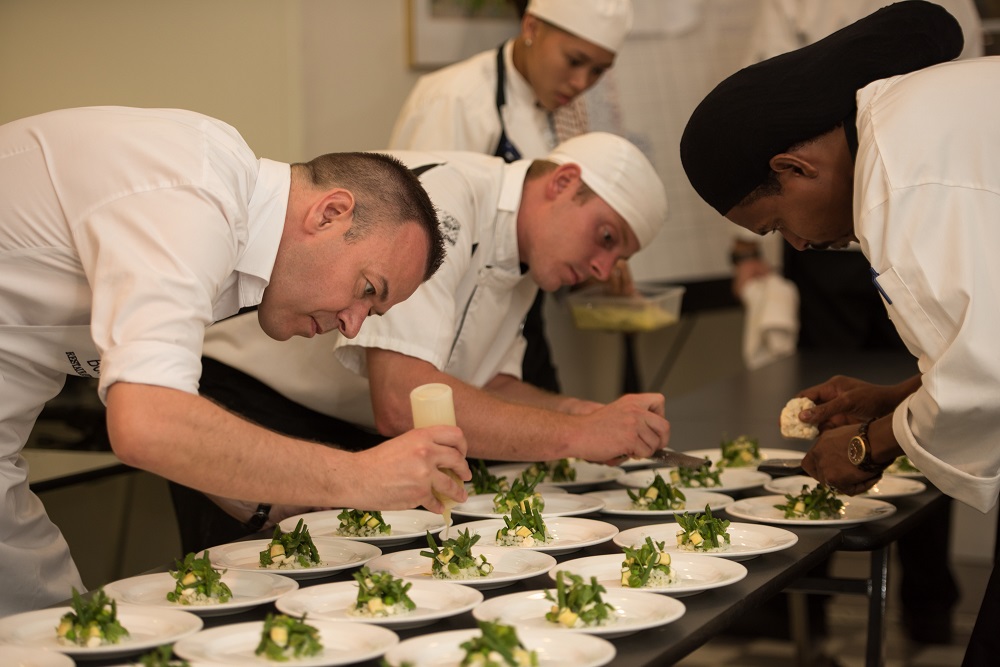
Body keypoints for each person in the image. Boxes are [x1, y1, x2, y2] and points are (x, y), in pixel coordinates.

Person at [0, 106, 470, 616]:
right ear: (330, 213)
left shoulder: (226, 234)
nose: (354, 325)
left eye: (373, 311)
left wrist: (266, 495)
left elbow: (150, 384)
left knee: (49, 623)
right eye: (366, 289)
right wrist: (361, 475)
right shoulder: (194, 188)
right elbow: (149, 423)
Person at [679, 2, 999, 663]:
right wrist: (895, 396)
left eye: (776, 227)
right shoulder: (913, 120)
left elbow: (984, 380)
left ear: (794, 167)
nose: (797, 241)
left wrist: (864, 447)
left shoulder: (896, 186)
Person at [175, 131, 671, 552]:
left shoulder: (525, 258)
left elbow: (486, 386)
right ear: (563, 183)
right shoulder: (444, 198)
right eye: (606, 238)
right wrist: (580, 437)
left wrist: (580, 414)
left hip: (344, 431)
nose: (603, 270)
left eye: (617, 258)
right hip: (249, 405)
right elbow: (402, 401)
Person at [389, 0, 634, 394]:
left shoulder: (557, 109)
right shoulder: (455, 99)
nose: (581, 82)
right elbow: (415, 242)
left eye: (598, 71)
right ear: (532, 27)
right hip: (445, 324)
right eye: (574, 61)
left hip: (515, 319)